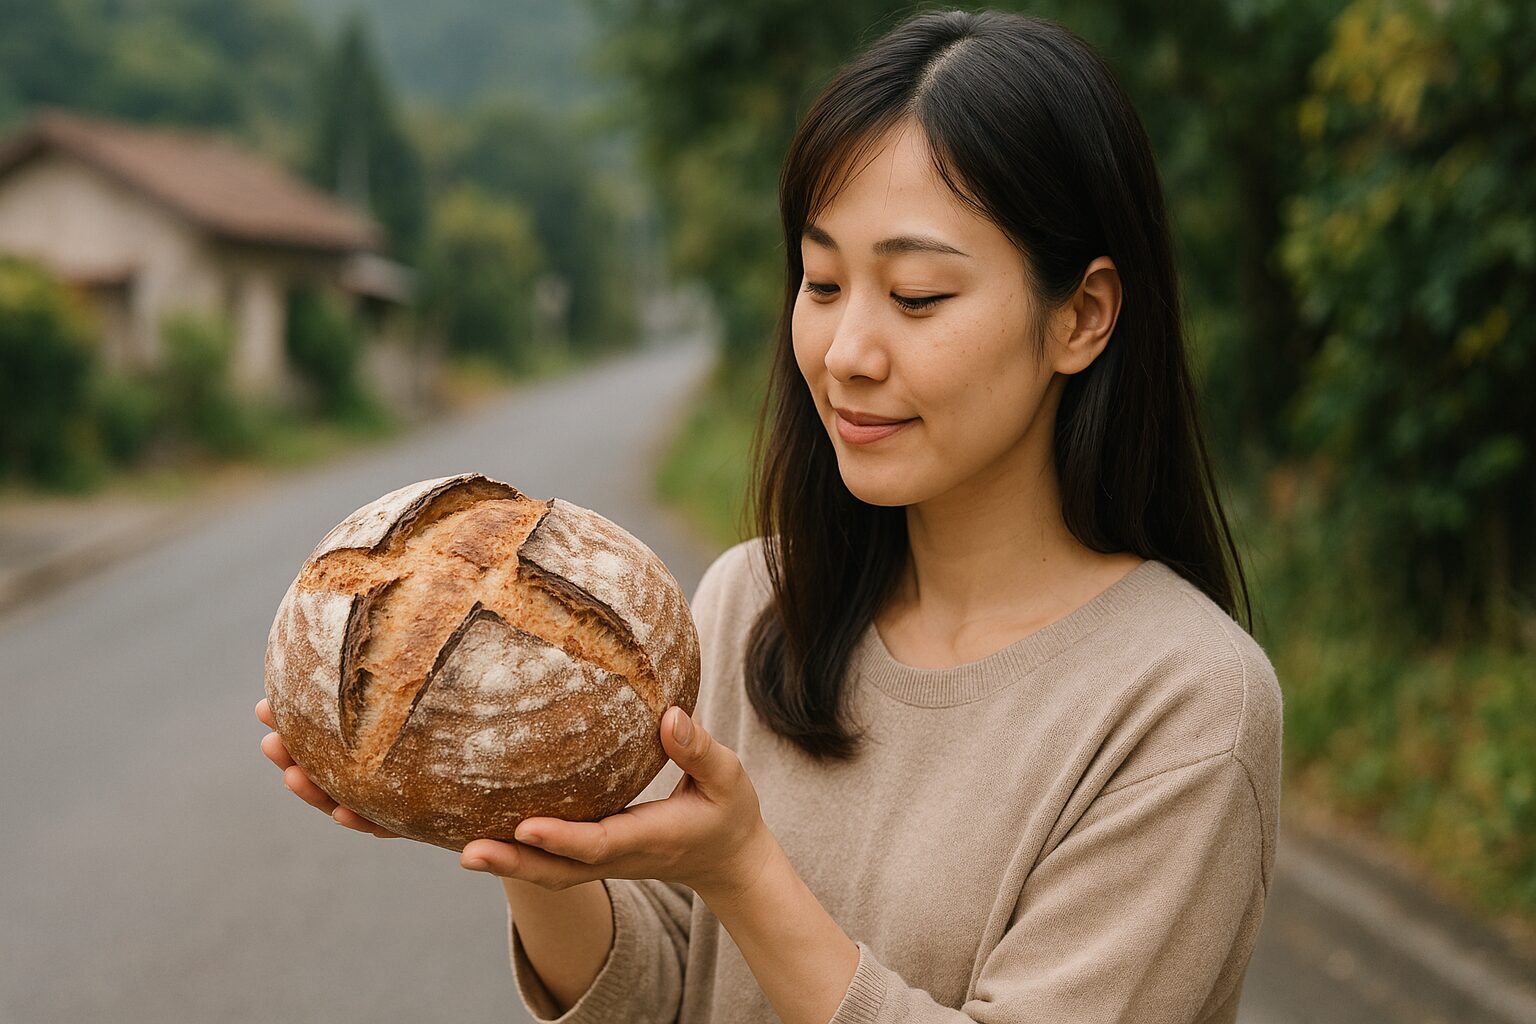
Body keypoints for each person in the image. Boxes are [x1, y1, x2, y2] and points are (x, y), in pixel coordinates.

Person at [256, 8, 1283, 1023]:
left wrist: (743, 870)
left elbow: (737, 897)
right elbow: (661, 992)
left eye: (917, 296)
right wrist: (521, 827)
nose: (846, 353)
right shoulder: (754, 600)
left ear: (1082, 316)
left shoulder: (1186, 703)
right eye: (822, 282)